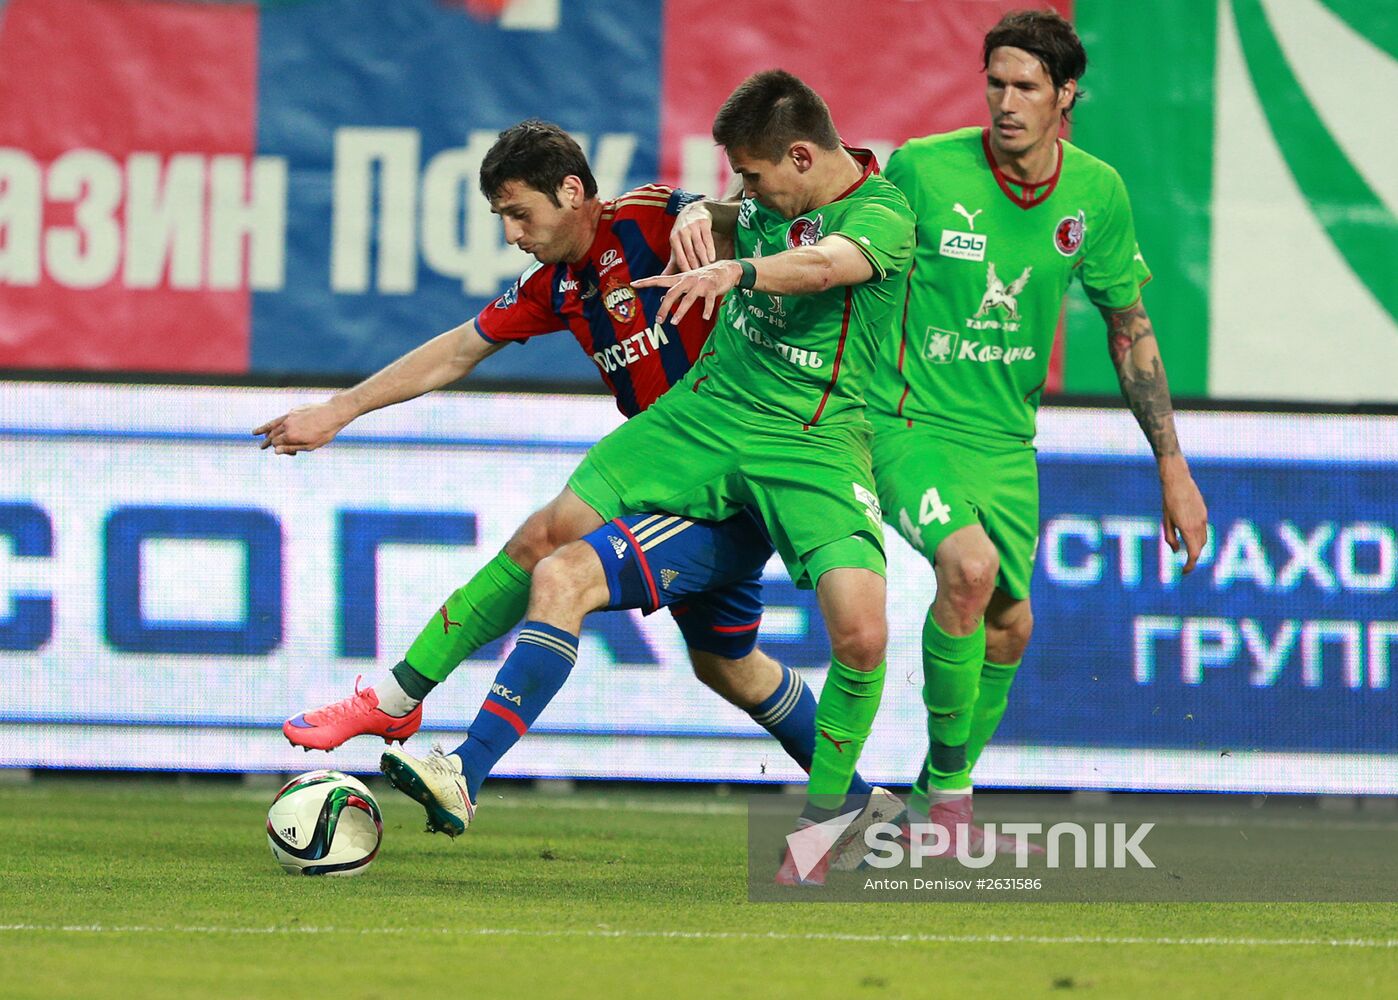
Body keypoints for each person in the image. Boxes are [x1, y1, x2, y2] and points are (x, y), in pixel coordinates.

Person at [255, 119, 881, 825]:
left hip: (737, 483)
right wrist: (341, 409)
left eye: (520, 213)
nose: (513, 233)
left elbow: (759, 220)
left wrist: (709, 212)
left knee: (552, 559)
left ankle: (432, 736)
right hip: (675, 474)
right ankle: (866, 810)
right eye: (502, 218)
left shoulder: (651, 220)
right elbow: (459, 349)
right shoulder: (557, 285)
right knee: (727, 665)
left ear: (573, 190)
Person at [377, 72, 915, 885]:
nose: (745, 188)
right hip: (706, 412)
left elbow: (828, 263)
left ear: (800, 156)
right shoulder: (760, 203)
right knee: (559, 549)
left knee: (863, 634)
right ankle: (429, 726)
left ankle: (838, 813)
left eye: (754, 174)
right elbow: (725, 209)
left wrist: (739, 272)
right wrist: (709, 209)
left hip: (813, 438)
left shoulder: (881, 213)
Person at [867, 9, 1209, 844]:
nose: (1007, 102)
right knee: (970, 568)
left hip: (1006, 442)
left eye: (1027, 87)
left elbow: (1128, 326)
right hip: (906, 421)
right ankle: (947, 801)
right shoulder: (922, 169)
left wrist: (1173, 466)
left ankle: (926, 799)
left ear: (1066, 95)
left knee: (1012, 624)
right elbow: (833, 235)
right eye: (996, 84)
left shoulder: (1096, 194)